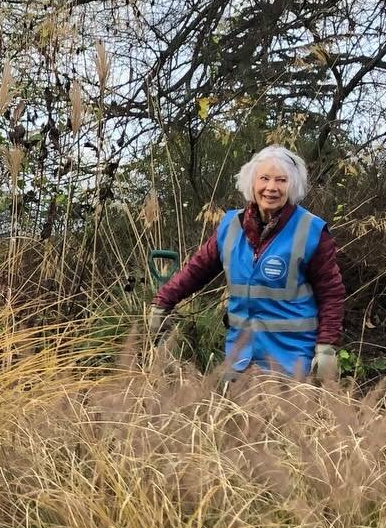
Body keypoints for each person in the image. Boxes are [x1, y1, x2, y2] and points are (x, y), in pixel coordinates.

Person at [148, 144, 345, 380]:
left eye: (281, 180)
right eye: (264, 178)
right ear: (252, 182)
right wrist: (163, 301)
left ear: (292, 186)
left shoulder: (311, 230)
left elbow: (331, 294)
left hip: (292, 360)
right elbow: (197, 270)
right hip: (240, 359)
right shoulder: (231, 226)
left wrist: (326, 347)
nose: (271, 188)